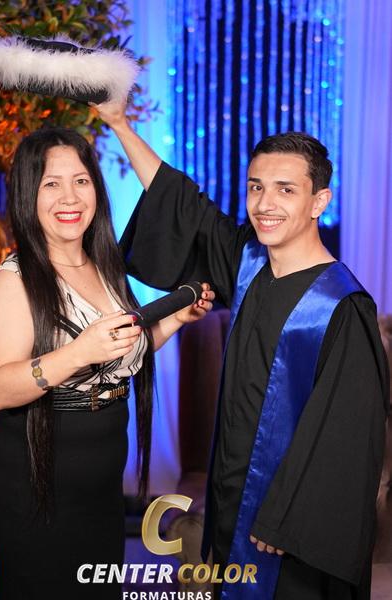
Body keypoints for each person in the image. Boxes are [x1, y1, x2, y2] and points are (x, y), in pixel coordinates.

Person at [95, 101, 389, 600]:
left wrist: (283, 520)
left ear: (319, 201)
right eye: (256, 187)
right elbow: (183, 202)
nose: (265, 203)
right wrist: (120, 124)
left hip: (291, 532)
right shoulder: (248, 264)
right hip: (230, 503)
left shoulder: (342, 307)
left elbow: (346, 436)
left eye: (286, 189)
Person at [0, 126, 214, 600]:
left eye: (81, 181)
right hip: (32, 483)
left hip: (103, 481)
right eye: (51, 183)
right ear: (27, 194)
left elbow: (117, 358)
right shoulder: (13, 279)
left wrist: (175, 321)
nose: (70, 197)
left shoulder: (105, 267)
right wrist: (78, 352)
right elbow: (0, 389)